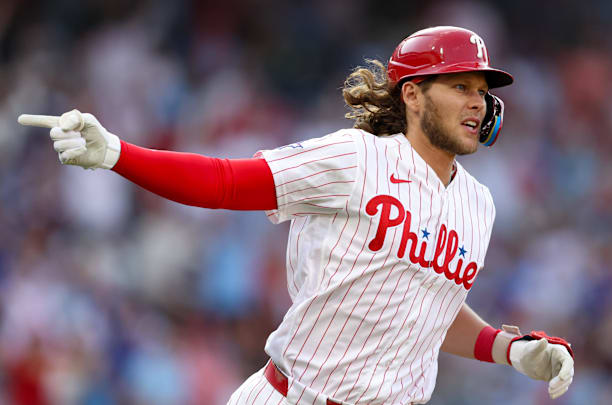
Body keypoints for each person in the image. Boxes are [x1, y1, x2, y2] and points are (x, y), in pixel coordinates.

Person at [19, 26, 574, 405]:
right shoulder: (356, 159)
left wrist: (510, 349)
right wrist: (119, 153)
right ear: (413, 94)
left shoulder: (481, 204)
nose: (479, 102)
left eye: (483, 91)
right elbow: (224, 181)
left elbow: (431, 307)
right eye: (460, 87)